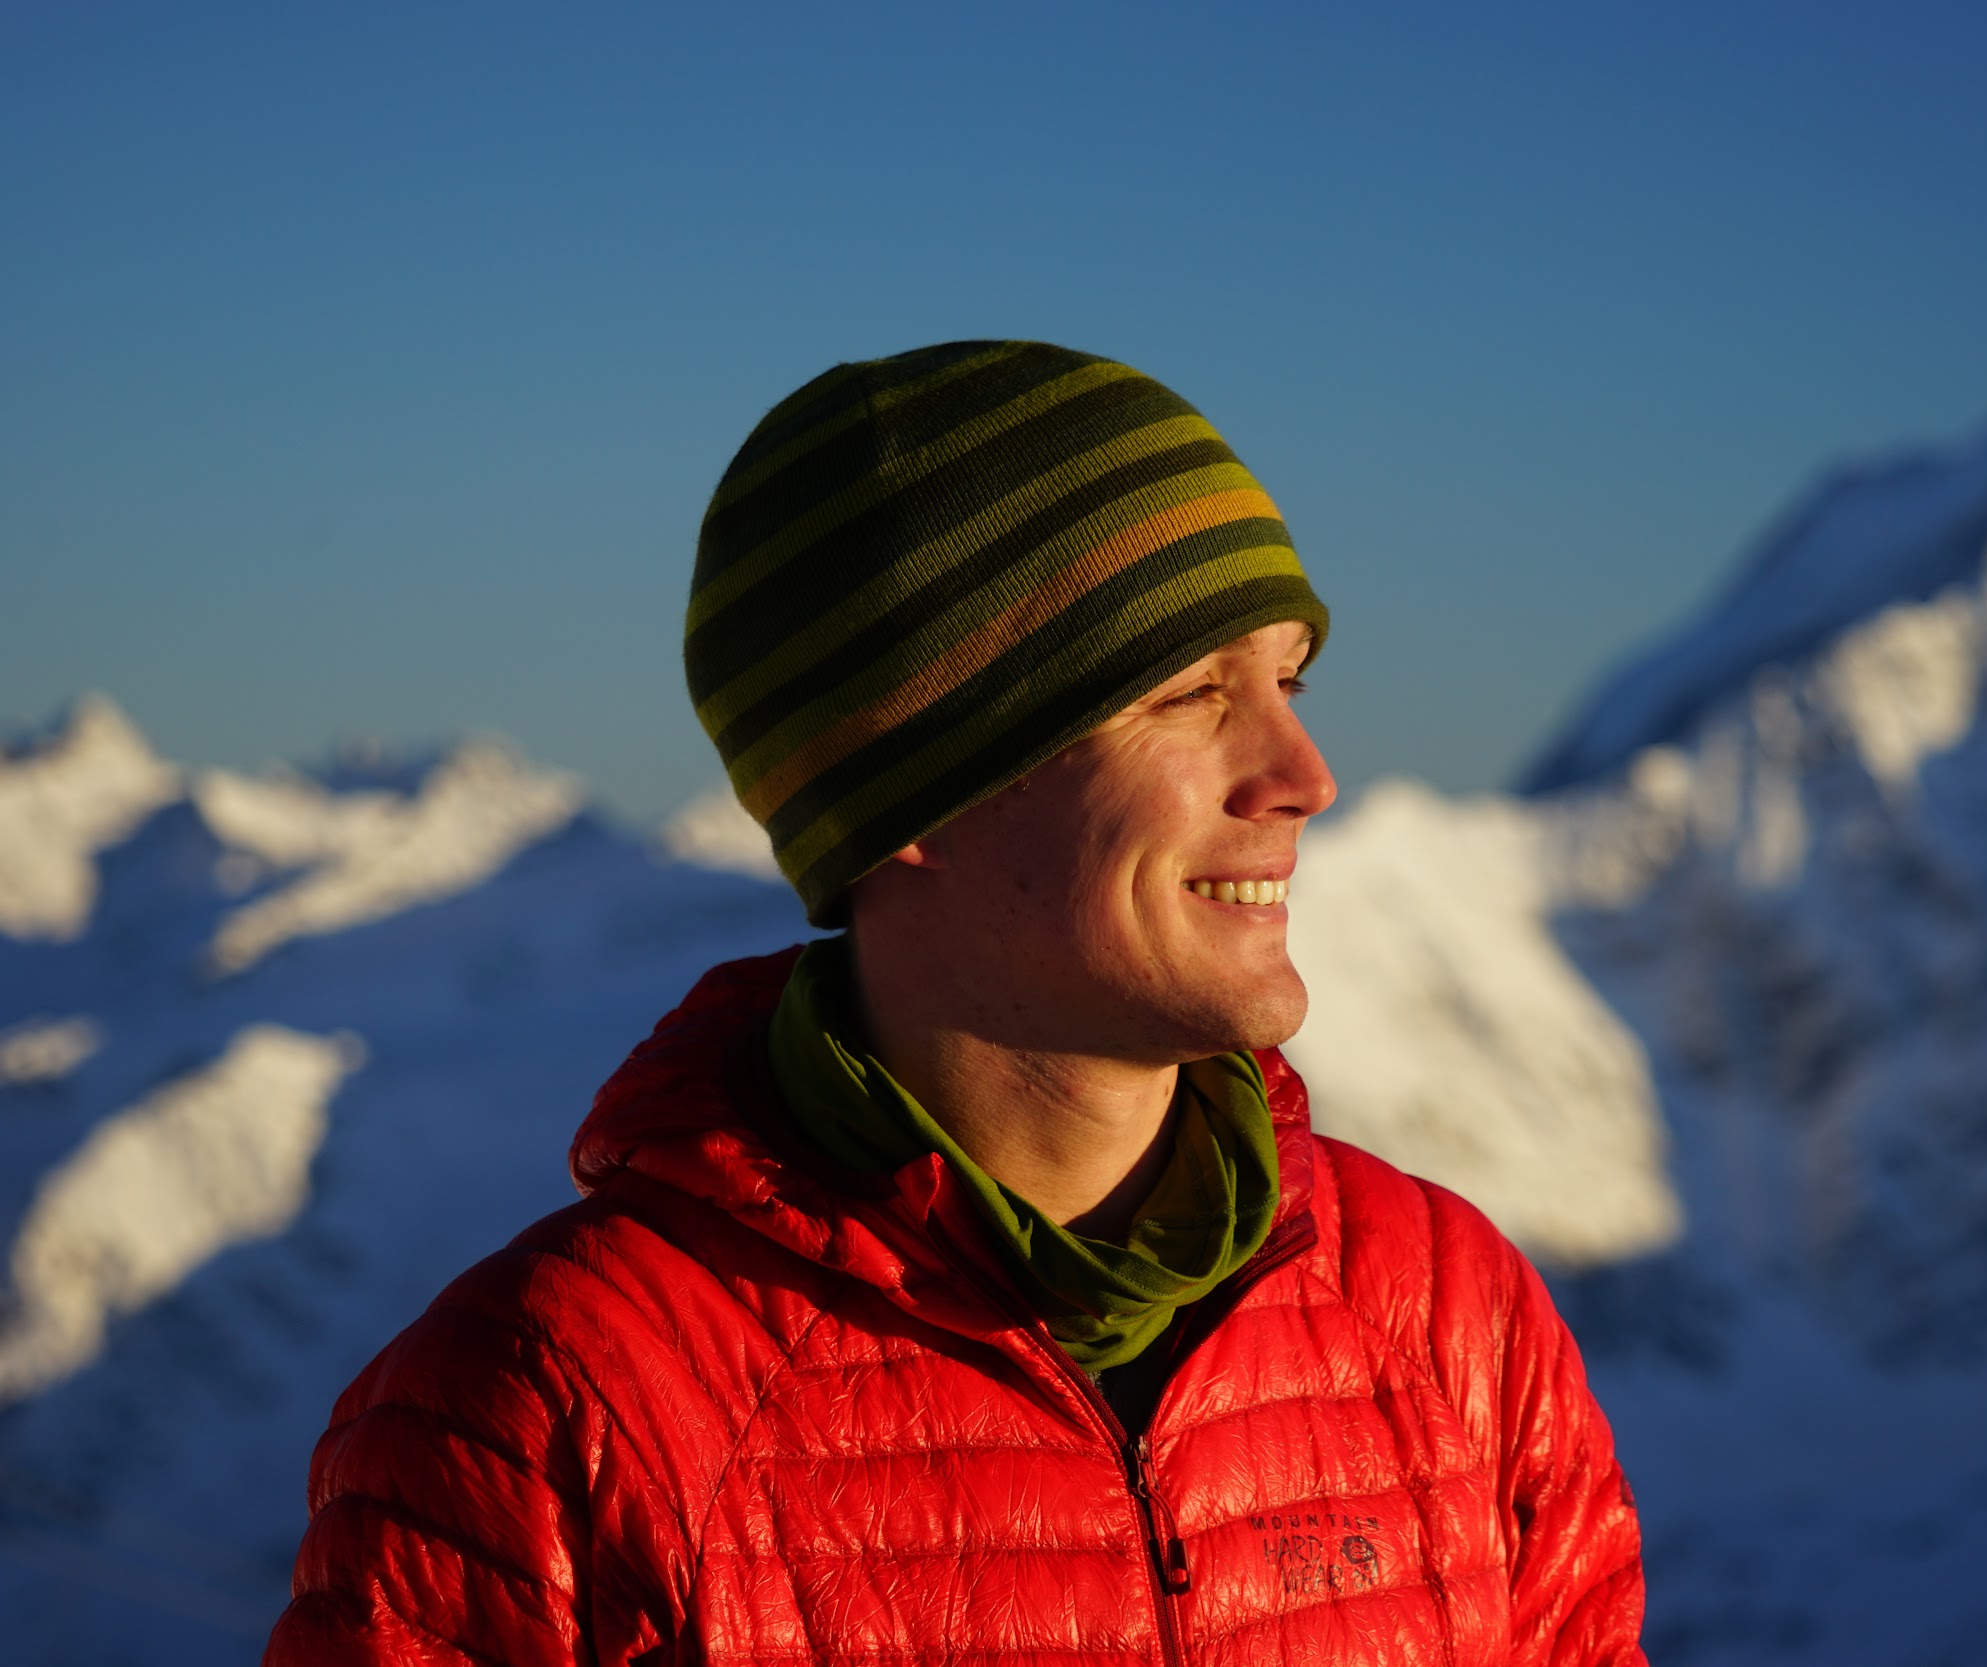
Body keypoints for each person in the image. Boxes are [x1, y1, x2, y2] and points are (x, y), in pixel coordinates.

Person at [265, 341, 1647, 1665]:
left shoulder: (1450, 1322)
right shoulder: (548, 1416)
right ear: (915, 791)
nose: (1303, 773)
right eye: (1189, 693)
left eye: (1285, 680)